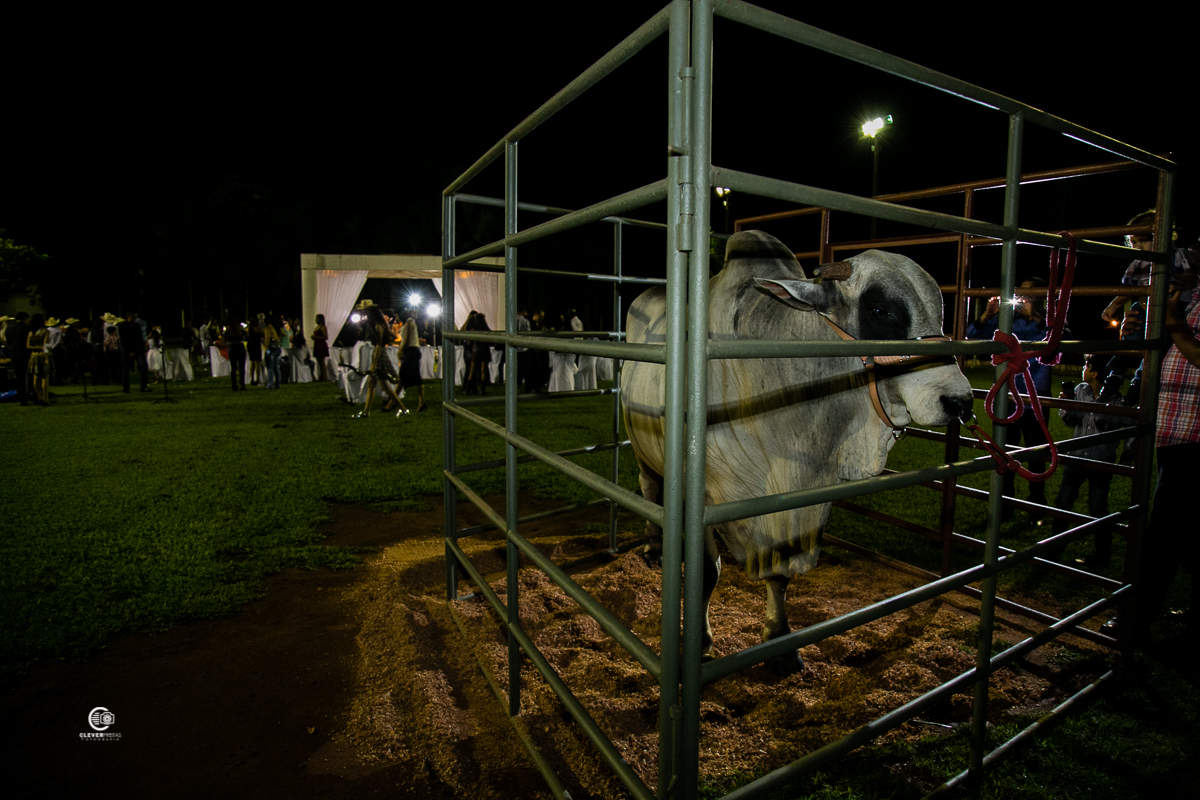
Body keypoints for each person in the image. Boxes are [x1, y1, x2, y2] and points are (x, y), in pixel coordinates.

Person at [1129, 271, 1199, 638]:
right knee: (1186, 529)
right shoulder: (1191, 294)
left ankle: (1136, 617)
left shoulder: (1185, 303)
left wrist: (1171, 319)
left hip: (1195, 433)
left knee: (1164, 533)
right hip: (1175, 429)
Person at [966, 278, 1053, 522]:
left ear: (1038, 298)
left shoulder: (1049, 323)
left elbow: (1057, 348)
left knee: (1036, 455)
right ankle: (1005, 508)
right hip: (1007, 399)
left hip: (1035, 399)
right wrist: (987, 315)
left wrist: (1036, 318)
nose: (1022, 297)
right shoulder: (1006, 321)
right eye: (1020, 292)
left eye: (1028, 293)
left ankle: (1036, 507)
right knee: (1004, 454)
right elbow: (972, 337)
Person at [1053, 355, 1122, 570]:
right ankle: (1055, 548)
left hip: (1101, 459)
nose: (1083, 368)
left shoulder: (1116, 398)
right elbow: (1069, 420)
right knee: (1063, 502)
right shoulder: (1081, 390)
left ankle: (1101, 554)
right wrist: (1066, 403)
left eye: (1086, 365)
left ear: (1094, 372)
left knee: (1098, 508)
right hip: (1077, 456)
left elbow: (1128, 423)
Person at [354, 305, 408, 418]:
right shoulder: (381, 325)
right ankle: (366, 412)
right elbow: (393, 336)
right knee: (374, 385)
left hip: (379, 355)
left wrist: (374, 363)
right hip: (379, 353)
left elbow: (378, 345)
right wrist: (386, 340)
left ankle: (403, 409)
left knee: (383, 387)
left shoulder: (378, 326)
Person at [398, 316, 427, 411]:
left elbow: (407, 339)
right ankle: (422, 402)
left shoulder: (409, 323)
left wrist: (401, 350)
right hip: (411, 351)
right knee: (408, 376)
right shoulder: (409, 323)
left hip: (411, 351)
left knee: (403, 374)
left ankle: (392, 401)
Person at [118, 311, 150, 394]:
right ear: (129, 317)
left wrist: (142, 349)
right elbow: (124, 340)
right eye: (134, 317)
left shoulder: (137, 325)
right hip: (126, 349)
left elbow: (139, 338)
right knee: (125, 368)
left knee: (143, 365)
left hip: (137, 348)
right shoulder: (122, 326)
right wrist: (130, 351)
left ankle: (144, 386)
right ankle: (125, 387)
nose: (135, 318)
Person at [25, 313, 52, 405]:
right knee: (45, 378)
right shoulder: (45, 331)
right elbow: (46, 345)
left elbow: (28, 346)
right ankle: (45, 398)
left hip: (33, 356)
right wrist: (47, 357)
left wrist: (36, 347)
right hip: (42, 355)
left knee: (35, 378)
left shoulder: (30, 333)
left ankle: (39, 397)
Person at [6, 312, 31, 405]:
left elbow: (8, 341)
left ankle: (20, 396)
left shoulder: (9, 328)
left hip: (14, 354)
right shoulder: (26, 328)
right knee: (26, 376)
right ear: (25, 318)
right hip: (24, 354)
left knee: (19, 377)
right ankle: (27, 396)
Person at [222, 315, 247, 391]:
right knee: (242, 367)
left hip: (231, 346)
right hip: (240, 345)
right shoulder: (240, 327)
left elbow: (224, 339)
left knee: (233, 367)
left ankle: (234, 385)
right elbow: (245, 336)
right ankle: (242, 384)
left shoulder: (227, 328)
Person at [261, 314, 281, 389]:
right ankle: (278, 384)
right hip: (277, 348)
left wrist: (266, 349)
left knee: (270, 367)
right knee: (276, 367)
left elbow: (267, 339)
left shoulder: (268, 328)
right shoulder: (277, 328)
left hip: (270, 349)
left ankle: (270, 384)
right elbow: (283, 334)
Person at [311, 313, 330, 381]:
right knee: (319, 362)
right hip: (317, 344)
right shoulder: (317, 327)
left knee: (322, 362)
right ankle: (321, 376)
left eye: (317, 319)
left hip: (321, 345)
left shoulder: (323, 327)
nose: (316, 320)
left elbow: (325, 337)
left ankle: (325, 377)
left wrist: (316, 337)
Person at [247, 314, 265, 386]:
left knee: (252, 363)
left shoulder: (249, 329)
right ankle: (257, 379)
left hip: (250, 345)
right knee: (257, 363)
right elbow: (262, 333)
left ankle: (252, 379)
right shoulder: (256, 328)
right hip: (256, 345)